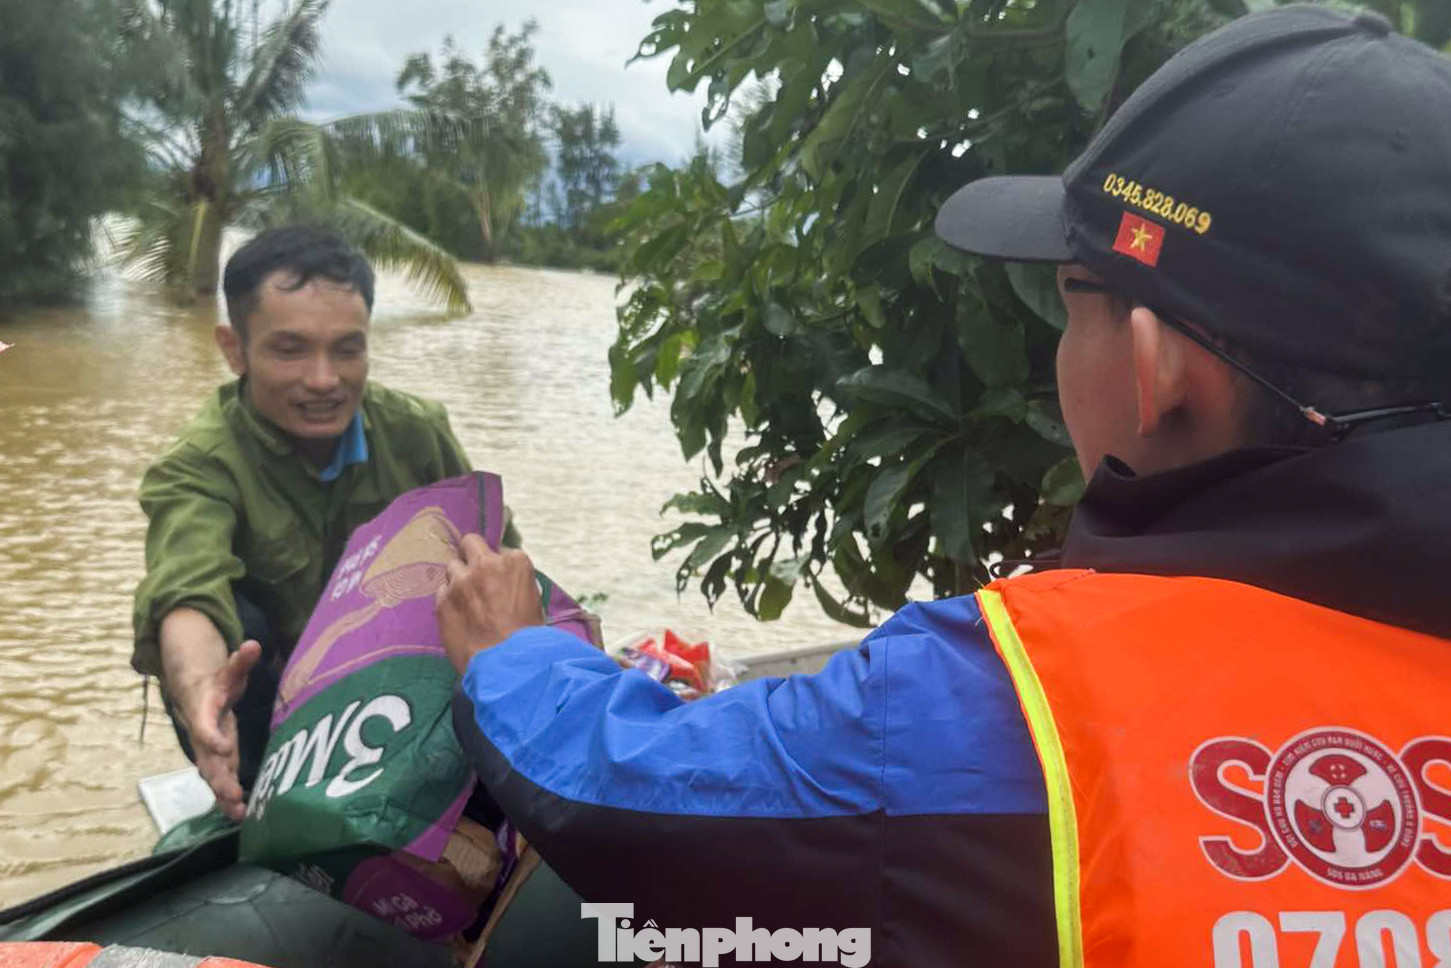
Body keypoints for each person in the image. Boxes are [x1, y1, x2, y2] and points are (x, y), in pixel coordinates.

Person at [439, 7, 1451, 966]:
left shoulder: (1007, 698)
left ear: (1154, 370)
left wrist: (511, 654)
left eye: (1071, 302)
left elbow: (616, 786)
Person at [132, 223, 502, 822]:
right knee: (238, 626)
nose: (325, 380)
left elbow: (498, 562)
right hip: (275, 709)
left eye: (347, 349)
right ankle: (254, 796)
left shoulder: (417, 435)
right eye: (290, 349)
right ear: (234, 349)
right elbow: (186, 590)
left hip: (398, 682)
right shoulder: (197, 464)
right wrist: (202, 689)